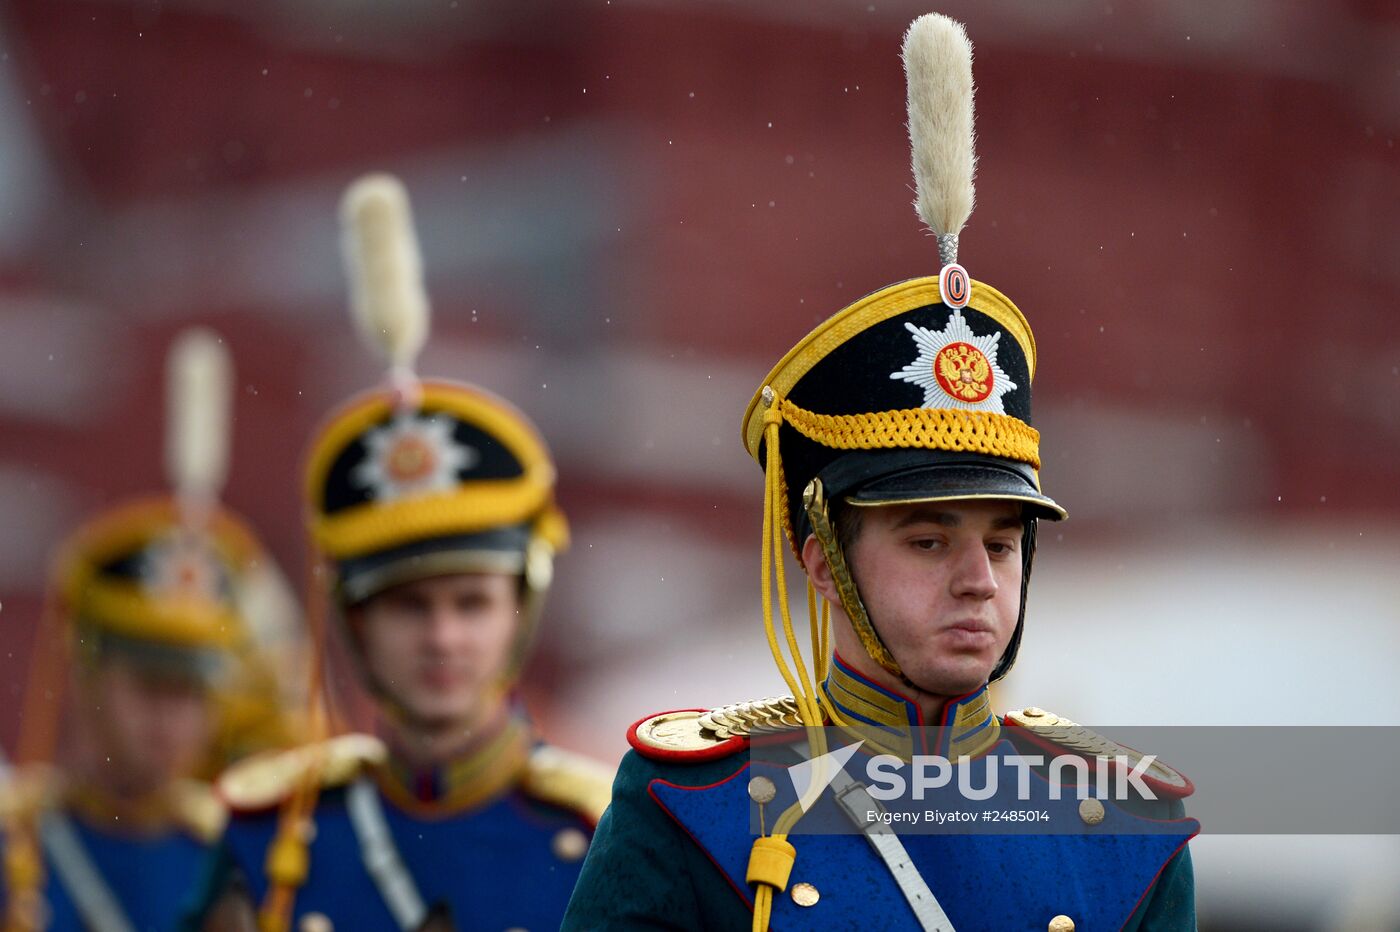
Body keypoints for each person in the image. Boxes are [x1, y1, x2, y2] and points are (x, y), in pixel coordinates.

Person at [563, 13, 1196, 932]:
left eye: (1004, 541)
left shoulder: (1126, 834)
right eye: (929, 538)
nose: (979, 581)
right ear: (823, 559)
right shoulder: (691, 809)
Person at [188, 174, 611, 932]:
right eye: (409, 605)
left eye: (472, 603)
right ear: (352, 620)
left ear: (522, 607)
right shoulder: (268, 832)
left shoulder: (610, 835)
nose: (443, 636)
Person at [0, 330, 301, 932]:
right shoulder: (15, 842)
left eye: (193, 693)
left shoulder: (250, 861)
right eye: (149, 686)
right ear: (87, 675)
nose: (172, 719)